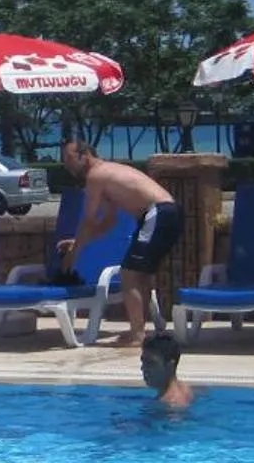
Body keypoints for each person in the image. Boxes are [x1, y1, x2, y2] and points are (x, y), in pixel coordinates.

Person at [58, 138, 179, 348]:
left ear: (84, 156)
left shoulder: (96, 176)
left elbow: (88, 220)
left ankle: (137, 334)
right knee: (137, 274)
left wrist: (75, 252)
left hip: (158, 213)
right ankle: (142, 330)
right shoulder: (106, 174)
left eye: (69, 158)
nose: (66, 164)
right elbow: (109, 222)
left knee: (129, 274)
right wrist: (77, 241)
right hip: (164, 214)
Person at [139, 330, 194, 409]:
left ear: (170, 365)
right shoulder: (186, 389)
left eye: (150, 363)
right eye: (143, 362)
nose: (143, 368)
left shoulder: (169, 405)